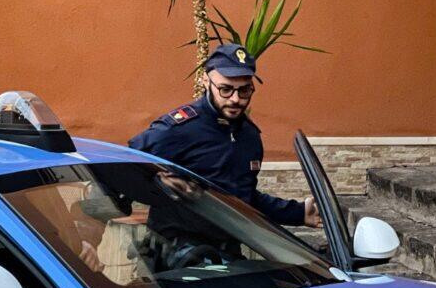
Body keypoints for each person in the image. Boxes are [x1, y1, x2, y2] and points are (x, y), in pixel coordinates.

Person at [130, 43, 321, 228]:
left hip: (227, 253)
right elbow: (123, 162)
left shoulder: (249, 136)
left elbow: (242, 199)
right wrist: (157, 178)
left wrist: (298, 213)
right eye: (226, 89)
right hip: (179, 253)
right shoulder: (179, 128)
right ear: (206, 81)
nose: (235, 99)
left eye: (244, 90)